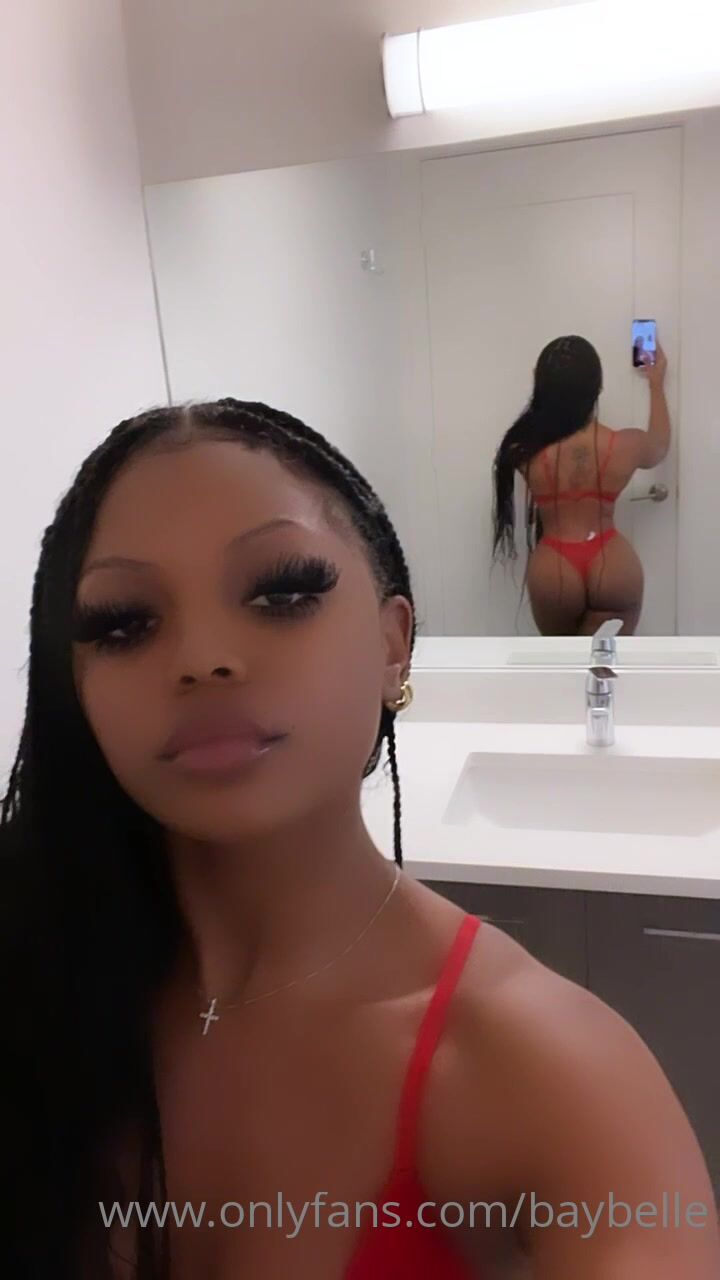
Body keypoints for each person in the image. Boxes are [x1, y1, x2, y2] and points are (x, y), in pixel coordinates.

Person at [2, 399, 716, 1279]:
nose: (202, 658)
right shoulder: (32, 965)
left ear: (393, 644)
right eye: (124, 623)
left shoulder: (550, 1070)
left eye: (282, 592)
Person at [492, 335, 671, 635]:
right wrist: (655, 383)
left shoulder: (521, 449)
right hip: (612, 562)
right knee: (609, 661)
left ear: (539, 383)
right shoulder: (624, 444)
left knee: (563, 662)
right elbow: (659, 446)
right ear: (598, 387)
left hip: (554, 569)